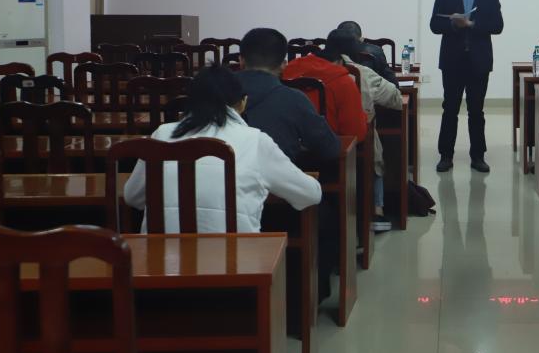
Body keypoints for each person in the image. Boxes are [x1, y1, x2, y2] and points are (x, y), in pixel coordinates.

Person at [123, 65, 322, 233]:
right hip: (234, 260)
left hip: (161, 260)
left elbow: (132, 197)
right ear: (243, 102)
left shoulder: (162, 134)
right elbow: (310, 194)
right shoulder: (254, 140)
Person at [430, 0, 504, 173]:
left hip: (479, 61)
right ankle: (445, 156)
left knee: (476, 110)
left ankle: (478, 156)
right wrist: (453, 23)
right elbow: (434, 25)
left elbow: (498, 26)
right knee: (450, 108)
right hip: (452, 61)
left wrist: (471, 24)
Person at [327, 28, 404, 232]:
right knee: (374, 145)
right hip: (355, 140)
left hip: (313, 144)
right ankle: (376, 210)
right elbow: (396, 99)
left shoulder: (304, 69)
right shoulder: (361, 72)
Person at [237, 28, 341, 167]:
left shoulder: (211, 93)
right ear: (283, 64)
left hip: (215, 178)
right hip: (275, 178)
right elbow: (330, 149)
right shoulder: (294, 99)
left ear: (241, 60)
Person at [337, 20, 399, 85]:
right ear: (361, 39)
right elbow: (392, 81)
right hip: (372, 90)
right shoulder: (376, 51)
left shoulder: (333, 54)